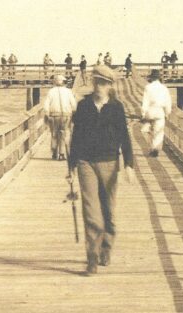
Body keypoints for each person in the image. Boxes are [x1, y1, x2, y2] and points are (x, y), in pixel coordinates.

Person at [67, 65, 135, 275]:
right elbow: (76, 137)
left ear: (110, 85)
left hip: (109, 162)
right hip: (85, 162)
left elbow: (124, 136)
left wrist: (129, 165)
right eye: (97, 82)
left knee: (109, 212)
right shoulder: (83, 106)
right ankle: (92, 257)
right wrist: (71, 166)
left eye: (104, 83)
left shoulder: (116, 108)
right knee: (92, 212)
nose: (100, 86)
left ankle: (107, 246)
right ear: (93, 82)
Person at [43, 74, 77, 161]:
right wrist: (74, 112)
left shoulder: (51, 91)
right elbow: (73, 104)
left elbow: (46, 104)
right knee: (63, 134)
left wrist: (47, 113)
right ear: (63, 82)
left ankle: (54, 152)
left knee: (54, 133)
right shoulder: (68, 91)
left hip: (54, 115)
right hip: (66, 115)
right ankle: (61, 154)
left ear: (55, 82)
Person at [140, 69, 172, 157]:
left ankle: (151, 146)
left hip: (150, 111)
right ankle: (155, 149)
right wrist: (167, 113)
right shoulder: (164, 88)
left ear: (151, 78)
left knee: (145, 130)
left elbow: (145, 102)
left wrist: (143, 113)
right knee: (159, 131)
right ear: (159, 78)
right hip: (160, 112)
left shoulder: (148, 87)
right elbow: (168, 102)